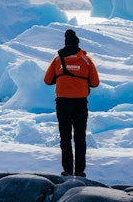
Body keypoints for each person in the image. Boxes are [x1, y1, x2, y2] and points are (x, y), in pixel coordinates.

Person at [44, 29, 99, 177]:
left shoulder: (57, 60)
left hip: (62, 103)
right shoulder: (86, 60)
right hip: (80, 103)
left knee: (65, 136)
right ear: (77, 44)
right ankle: (80, 171)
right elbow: (95, 83)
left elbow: (47, 81)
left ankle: (67, 170)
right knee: (80, 137)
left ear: (65, 43)